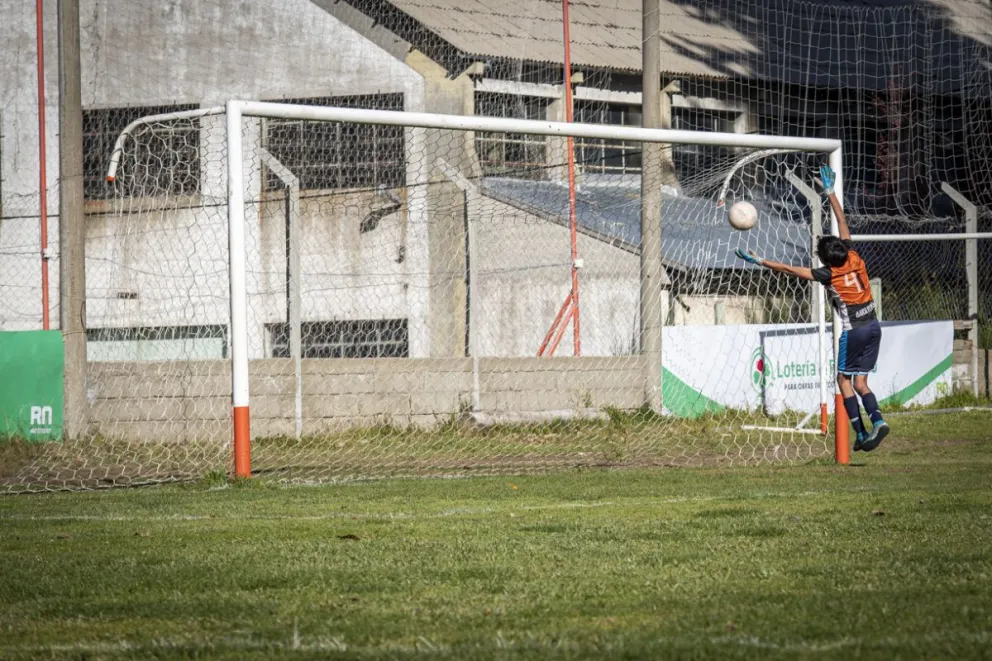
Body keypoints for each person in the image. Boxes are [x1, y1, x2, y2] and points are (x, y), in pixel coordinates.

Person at [735, 165, 889, 452]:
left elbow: (788, 269)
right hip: (874, 326)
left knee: (843, 379)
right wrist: (831, 193)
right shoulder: (854, 256)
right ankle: (878, 421)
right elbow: (842, 223)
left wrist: (760, 261)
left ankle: (859, 432)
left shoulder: (827, 274)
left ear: (825, 261)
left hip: (854, 331)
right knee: (861, 383)